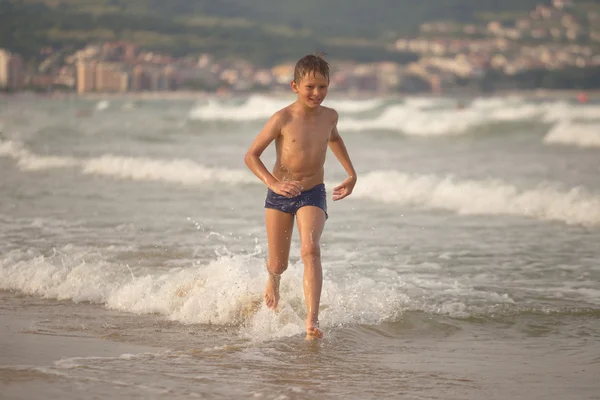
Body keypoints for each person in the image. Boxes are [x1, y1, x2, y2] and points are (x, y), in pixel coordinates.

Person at [244, 52, 357, 340]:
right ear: (295, 87)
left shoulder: (330, 116)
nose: (317, 93)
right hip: (280, 194)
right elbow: (251, 156)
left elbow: (335, 138)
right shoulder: (282, 118)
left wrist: (351, 174)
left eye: (322, 87)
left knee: (310, 249)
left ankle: (312, 321)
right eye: (310, 87)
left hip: (313, 193)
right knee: (279, 264)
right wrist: (273, 184)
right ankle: (273, 281)